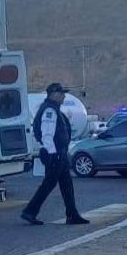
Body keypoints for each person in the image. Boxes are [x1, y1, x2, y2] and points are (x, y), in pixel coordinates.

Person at [22, 83, 89, 226]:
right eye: (61, 93)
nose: (64, 96)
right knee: (48, 185)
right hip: (55, 153)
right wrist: (53, 153)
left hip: (60, 153)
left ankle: (72, 215)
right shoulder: (49, 111)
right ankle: (30, 211)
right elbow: (47, 134)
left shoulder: (53, 109)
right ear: (54, 94)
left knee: (67, 185)